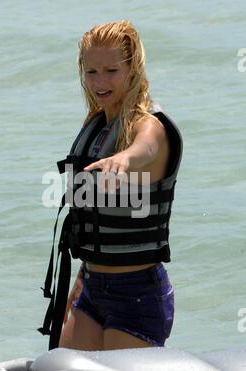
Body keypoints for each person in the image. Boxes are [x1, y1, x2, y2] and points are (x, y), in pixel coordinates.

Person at [38, 20, 183, 351]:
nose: (100, 82)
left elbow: (145, 148)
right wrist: (79, 285)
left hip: (137, 295)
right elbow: (91, 224)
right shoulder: (96, 126)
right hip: (90, 288)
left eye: (111, 70)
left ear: (133, 68)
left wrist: (125, 159)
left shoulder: (150, 126)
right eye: (91, 72)